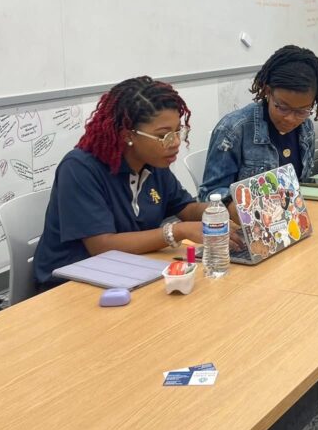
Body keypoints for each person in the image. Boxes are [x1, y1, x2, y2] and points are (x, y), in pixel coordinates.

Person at [33, 76, 242, 290]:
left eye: (179, 131)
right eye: (164, 135)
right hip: (72, 284)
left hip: (131, 271)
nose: (176, 142)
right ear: (128, 135)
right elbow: (102, 246)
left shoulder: (152, 163)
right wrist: (178, 231)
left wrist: (227, 209)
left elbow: (185, 207)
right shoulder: (80, 168)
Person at [200, 45, 318, 204]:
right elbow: (210, 196)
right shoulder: (234, 130)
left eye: (302, 111)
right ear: (267, 91)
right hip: (250, 223)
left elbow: (301, 185)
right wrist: (252, 210)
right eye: (282, 107)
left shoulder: (305, 128)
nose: (290, 118)